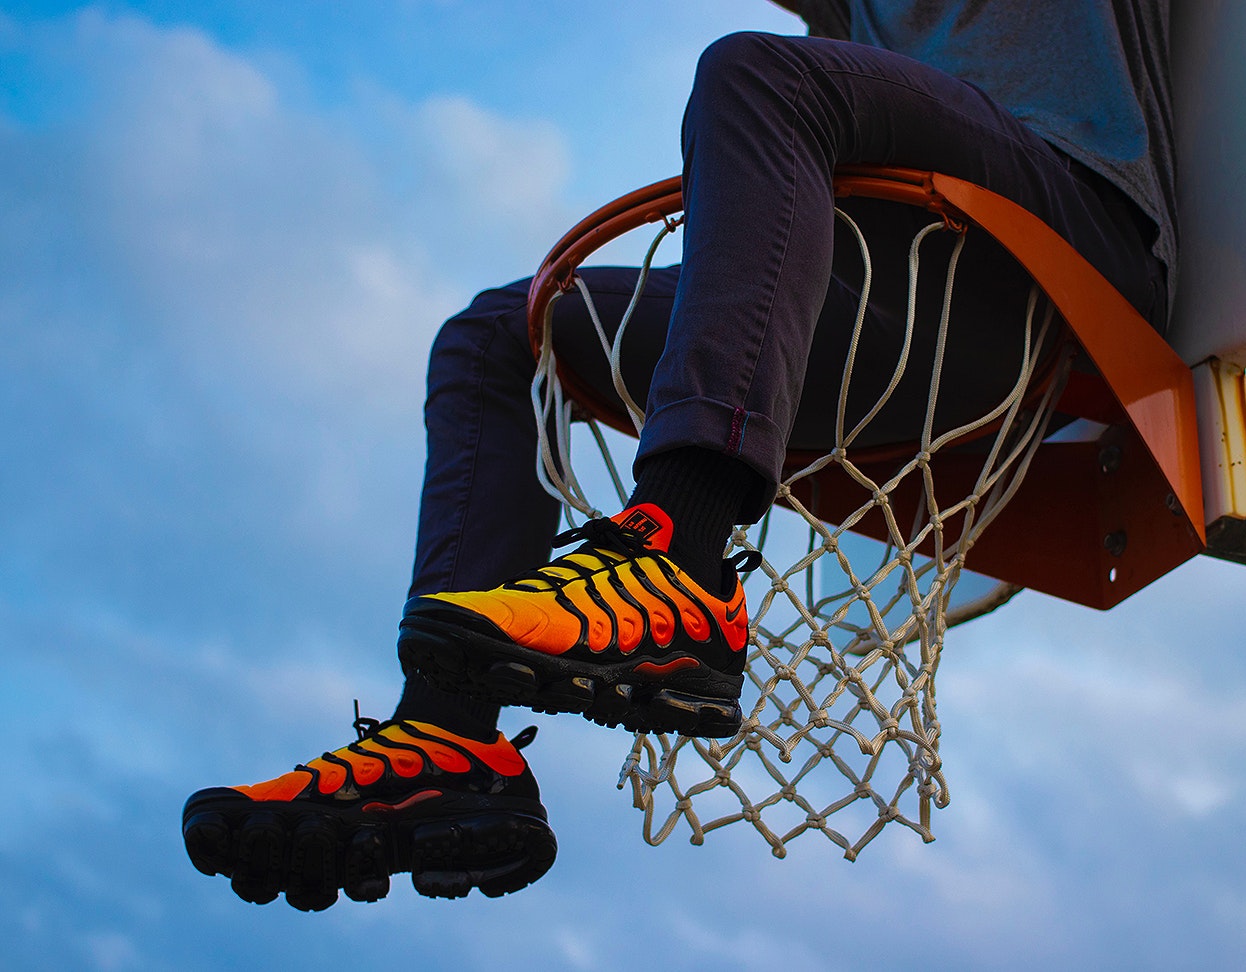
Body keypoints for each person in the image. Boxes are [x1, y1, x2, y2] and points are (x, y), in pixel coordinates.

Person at [182, 0, 1175, 910]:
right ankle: (447, 743)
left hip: (1059, 244)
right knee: (497, 339)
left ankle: (680, 554)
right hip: (884, 300)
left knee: (759, 75)